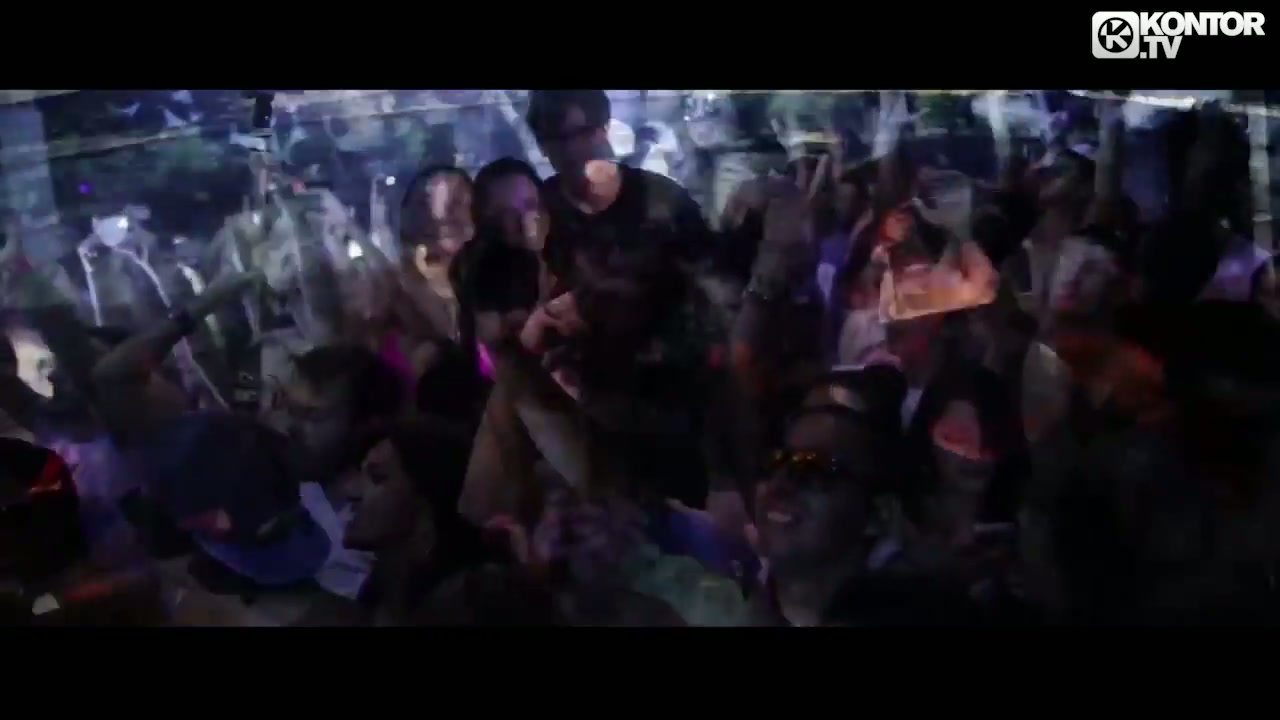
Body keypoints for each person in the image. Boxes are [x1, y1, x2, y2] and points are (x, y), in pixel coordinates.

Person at [331, 417, 511, 625]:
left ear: (427, 502)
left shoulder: (469, 609)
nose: (351, 491)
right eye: (359, 473)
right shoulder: (365, 606)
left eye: (377, 478)